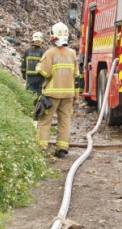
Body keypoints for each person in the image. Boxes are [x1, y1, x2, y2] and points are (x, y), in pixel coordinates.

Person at [36, 22, 79, 158]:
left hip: (52, 95)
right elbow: (76, 75)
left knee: (45, 120)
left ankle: (42, 147)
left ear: (52, 36)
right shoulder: (72, 54)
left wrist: (38, 67)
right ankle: (62, 148)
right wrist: (76, 94)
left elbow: (45, 72)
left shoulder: (50, 53)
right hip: (68, 94)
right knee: (65, 120)